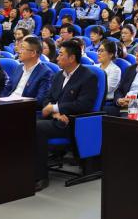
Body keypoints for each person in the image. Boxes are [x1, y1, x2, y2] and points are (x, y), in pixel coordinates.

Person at [34, 40, 101, 189]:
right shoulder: (59, 75)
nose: (57, 58)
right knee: (20, 121)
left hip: (73, 122)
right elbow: (47, 99)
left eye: (60, 55)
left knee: (37, 127)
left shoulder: (88, 77)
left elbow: (84, 105)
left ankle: (40, 177)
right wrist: (55, 113)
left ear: (71, 58)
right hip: (56, 119)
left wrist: (54, 108)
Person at [8, 36, 53, 104]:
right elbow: (7, 89)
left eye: (22, 48)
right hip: (7, 103)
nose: (19, 52)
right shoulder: (19, 67)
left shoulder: (45, 73)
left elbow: (40, 100)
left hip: (24, 106)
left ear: (33, 53)